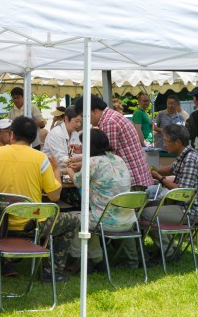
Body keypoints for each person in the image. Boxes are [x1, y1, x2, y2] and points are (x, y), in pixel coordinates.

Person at [0, 116, 77, 282]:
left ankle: (14, 258)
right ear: (33, 138)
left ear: (12, 135)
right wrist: (56, 172)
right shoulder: (40, 158)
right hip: (30, 224)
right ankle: (51, 271)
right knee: (72, 221)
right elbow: (54, 196)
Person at [69, 129, 134, 273]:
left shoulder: (92, 162)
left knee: (75, 219)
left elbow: (77, 181)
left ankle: (80, 260)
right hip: (128, 219)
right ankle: (98, 260)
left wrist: (68, 170)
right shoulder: (117, 158)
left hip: (106, 220)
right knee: (88, 219)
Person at [149, 124, 198, 243]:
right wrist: (155, 170)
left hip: (193, 212)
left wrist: (159, 178)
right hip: (189, 208)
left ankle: (168, 253)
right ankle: (169, 248)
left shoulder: (190, 159)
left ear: (178, 142)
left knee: (145, 214)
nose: (164, 145)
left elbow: (183, 193)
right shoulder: (186, 154)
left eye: (166, 141)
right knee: (149, 205)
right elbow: (171, 168)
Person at [75, 94, 154, 189]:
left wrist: (81, 164)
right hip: (138, 179)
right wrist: (82, 150)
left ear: (94, 111)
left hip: (132, 182)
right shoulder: (111, 116)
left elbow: (107, 158)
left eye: (85, 116)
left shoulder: (108, 122)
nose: (87, 120)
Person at [43, 107, 84, 181]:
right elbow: (60, 159)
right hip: (52, 175)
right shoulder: (56, 133)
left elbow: (75, 155)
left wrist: (79, 159)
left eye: (80, 122)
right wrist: (80, 159)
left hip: (67, 174)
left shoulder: (75, 134)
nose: (79, 124)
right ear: (66, 119)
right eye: (76, 121)